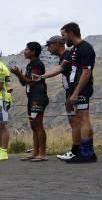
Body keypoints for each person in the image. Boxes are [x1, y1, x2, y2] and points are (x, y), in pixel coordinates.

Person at [38, 23, 97, 163]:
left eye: (63, 35)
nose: (63, 39)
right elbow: (61, 67)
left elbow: (87, 71)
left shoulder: (85, 48)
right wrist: (42, 77)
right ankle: (84, 152)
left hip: (81, 88)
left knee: (83, 119)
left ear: (71, 33)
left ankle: (86, 153)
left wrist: (76, 92)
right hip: (73, 89)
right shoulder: (74, 50)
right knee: (78, 119)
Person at [38, 35, 75, 160]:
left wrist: (42, 77)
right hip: (69, 91)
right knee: (73, 121)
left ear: (58, 44)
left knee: (76, 121)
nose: (48, 49)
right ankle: (78, 149)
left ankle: (78, 151)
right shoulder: (63, 57)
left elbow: (61, 69)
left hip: (73, 91)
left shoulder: (68, 55)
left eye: (49, 45)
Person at [11, 43, 49, 161]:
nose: (24, 51)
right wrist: (19, 75)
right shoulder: (29, 65)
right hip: (31, 97)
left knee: (38, 125)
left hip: (38, 97)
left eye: (27, 49)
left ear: (33, 52)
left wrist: (18, 74)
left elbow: (32, 82)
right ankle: (35, 152)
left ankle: (42, 154)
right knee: (33, 126)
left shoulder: (38, 64)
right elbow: (24, 83)